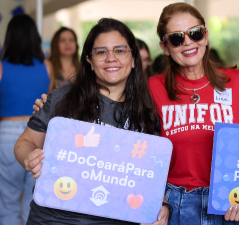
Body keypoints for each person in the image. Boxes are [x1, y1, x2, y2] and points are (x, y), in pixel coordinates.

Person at [14, 18, 167, 225]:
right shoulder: (63, 98)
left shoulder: (147, 112)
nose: (111, 58)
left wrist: (163, 206)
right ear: (89, 60)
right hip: (53, 218)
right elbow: (25, 142)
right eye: (101, 52)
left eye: (120, 51)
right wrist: (30, 157)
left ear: (133, 59)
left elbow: (151, 177)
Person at [148, 2, 239, 224]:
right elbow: (145, 152)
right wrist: (158, 201)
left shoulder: (237, 82)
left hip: (231, 204)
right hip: (174, 205)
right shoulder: (153, 87)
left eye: (195, 33)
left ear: (206, 36)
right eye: (177, 38)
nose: (188, 42)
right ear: (165, 46)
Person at [0, 14, 53, 225]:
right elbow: (46, 105)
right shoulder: (47, 66)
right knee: (32, 197)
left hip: (6, 134)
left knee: (7, 199)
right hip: (38, 133)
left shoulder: (1, 67)